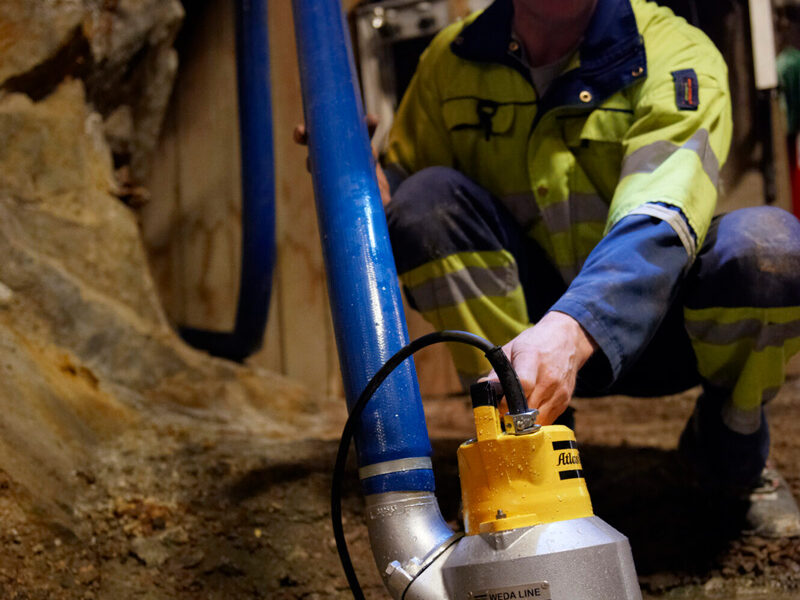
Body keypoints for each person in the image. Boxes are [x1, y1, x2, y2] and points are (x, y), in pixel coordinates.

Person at [373, 0, 800, 537]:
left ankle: (730, 453)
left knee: (770, 250)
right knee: (424, 203)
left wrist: (570, 333)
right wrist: (361, 179)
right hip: (525, 331)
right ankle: (528, 448)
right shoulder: (449, 61)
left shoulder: (675, 51)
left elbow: (660, 218)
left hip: (662, 325)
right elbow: (405, 186)